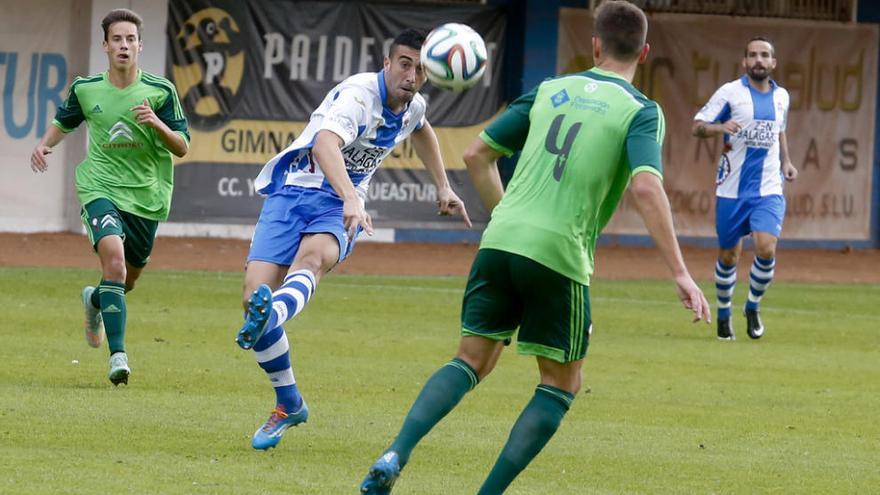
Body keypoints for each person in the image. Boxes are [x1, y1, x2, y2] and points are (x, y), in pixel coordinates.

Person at [360, 2, 710, 493]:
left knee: (471, 359)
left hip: (500, 241)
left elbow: (477, 154)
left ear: (594, 46)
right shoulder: (641, 111)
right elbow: (648, 188)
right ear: (645, 53)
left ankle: (396, 451)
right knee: (561, 383)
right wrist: (680, 272)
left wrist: (504, 218)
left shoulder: (549, 89)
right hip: (559, 255)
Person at [235, 29, 471, 451]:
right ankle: (289, 402)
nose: (411, 75)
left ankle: (273, 316)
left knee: (313, 260)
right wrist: (349, 195)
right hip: (293, 191)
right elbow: (326, 144)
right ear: (387, 62)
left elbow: (422, 129)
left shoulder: (413, 104)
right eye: (404, 64)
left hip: (338, 203)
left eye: (420, 68)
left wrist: (443, 187)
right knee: (254, 294)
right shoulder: (361, 97)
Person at [30, 8, 189, 385]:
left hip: (146, 197)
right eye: (116, 39)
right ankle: (118, 356)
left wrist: (156, 123)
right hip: (99, 186)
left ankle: (97, 300)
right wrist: (43, 144)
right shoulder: (87, 89)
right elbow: (64, 121)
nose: (123, 45)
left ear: (140, 46)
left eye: (130, 39)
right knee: (114, 265)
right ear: (105, 45)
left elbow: (182, 147)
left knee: (125, 281)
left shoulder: (160, 91)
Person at [692, 37, 797, 341]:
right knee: (728, 256)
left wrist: (787, 162)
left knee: (766, 246)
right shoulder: (730, 93)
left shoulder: (782, 97)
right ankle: (724, 314)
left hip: (769, 188)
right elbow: (696, 125)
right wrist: (718, 128)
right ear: (744, 62)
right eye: (753, 55)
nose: (758, 60)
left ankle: (752, 306)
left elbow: (780, 132)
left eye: (764, 55)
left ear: (773, 63)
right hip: (731, 190)